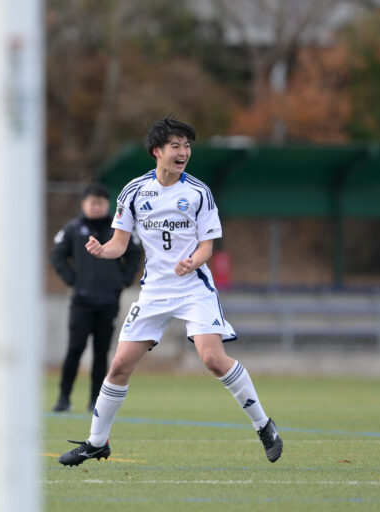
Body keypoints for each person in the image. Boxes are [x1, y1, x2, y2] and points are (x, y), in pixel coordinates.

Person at [58, 115, 283, 467]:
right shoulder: (134, 191)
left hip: (193, 288)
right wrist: (103, 251)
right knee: (118, 366)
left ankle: (264, 425)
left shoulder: (198, 193)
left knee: (212, 359)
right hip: (154, 292)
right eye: (175, 146)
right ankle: (96, 443)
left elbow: (207, 247)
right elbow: (119, 244)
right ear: (157, 151)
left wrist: (193, 262)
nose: (183, 153)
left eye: (187, 146)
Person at [51, 183, 142, 413]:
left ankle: (95, 400)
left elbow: (134, 254)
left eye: (100, 203)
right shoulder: (73, 229)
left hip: (109, 300)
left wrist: (124, 279)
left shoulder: (118, 229)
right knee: (75, 348)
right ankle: (64, 398)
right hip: (81, 300)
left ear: (107, 204)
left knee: (102, 352)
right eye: (92, 202)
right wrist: (73, 280)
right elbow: (58, 255)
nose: (96, 207)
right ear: (84, 204)